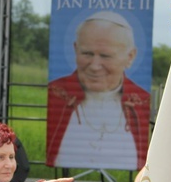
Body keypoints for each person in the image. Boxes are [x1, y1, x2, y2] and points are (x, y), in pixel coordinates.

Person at [46, 10, 150, 170]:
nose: (94, 66)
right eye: (87, 54)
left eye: (105, 56)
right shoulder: (56, 93)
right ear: (75, 50)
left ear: (130, 57)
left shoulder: (141, 101)